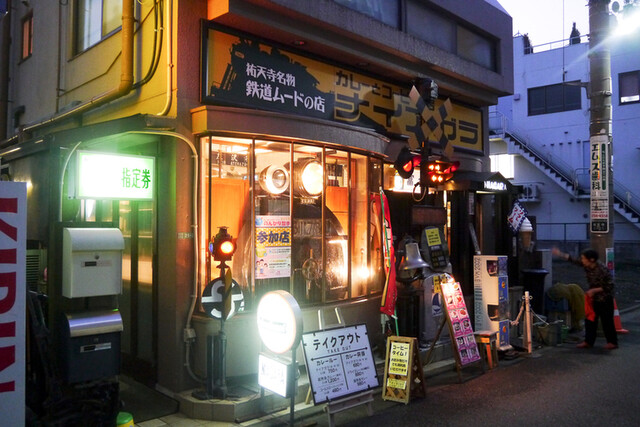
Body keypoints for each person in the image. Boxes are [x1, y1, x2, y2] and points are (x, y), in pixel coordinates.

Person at [552, 247, 618, 349]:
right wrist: (560, 254)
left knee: (607, 321)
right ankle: (588, 341)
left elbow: (610, 286)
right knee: (590, 320)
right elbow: (574, 260)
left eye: (584, 258)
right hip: (593, 298)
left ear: (591, 259)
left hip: (605, 299)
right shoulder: (588, 266)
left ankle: (612, 342)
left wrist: (594, 290)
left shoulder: (602, 270)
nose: (582, 260)